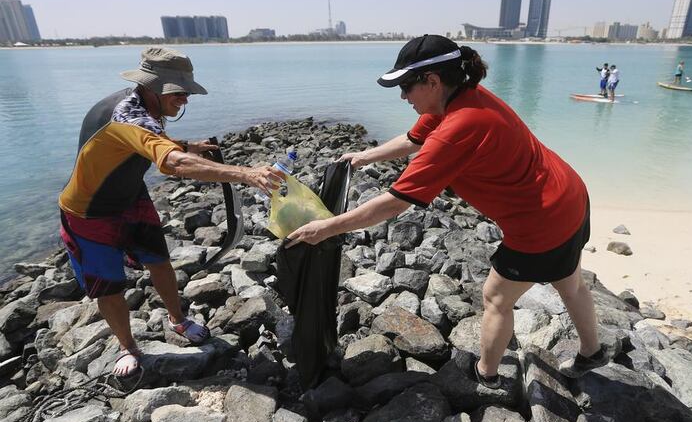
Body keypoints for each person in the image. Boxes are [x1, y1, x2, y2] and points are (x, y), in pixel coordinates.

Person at [287, 35, 606, 387]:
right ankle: (593, 351)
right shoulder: (457, 100)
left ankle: (486, 377)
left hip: (541, 220)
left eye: (407, 87)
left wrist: (327, 228)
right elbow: (412, 140)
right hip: (569, 195)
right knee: (570, 283)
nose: (402, 96)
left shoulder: (459, 127)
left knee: (496, 297)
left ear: (432, 81)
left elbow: (396, 202)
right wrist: (364, 157)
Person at [58, 47, 284, 377]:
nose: (184, 100)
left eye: (185, 93)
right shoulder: (128, 116)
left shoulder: (138, 105)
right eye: (178, 93)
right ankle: (127, 347)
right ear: (153, 87)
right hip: (90, 212)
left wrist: (185, 145)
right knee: (109, 287)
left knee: (159, 261)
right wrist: (246, 174)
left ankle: (177, 320)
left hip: (131, 197)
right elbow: (170, 163)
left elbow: (145, 140)